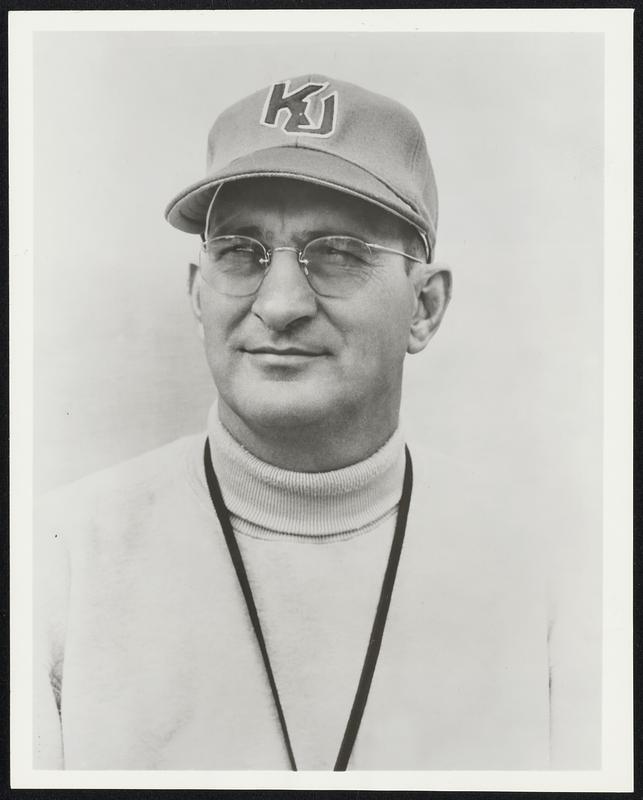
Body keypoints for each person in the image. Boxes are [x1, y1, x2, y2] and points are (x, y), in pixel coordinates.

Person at [34, 74, 599, 771]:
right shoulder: (54, 559)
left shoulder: (556, 570)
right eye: (239, 252)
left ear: (423, 307)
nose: (279, 304)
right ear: (196, 294)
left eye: (336, 253)